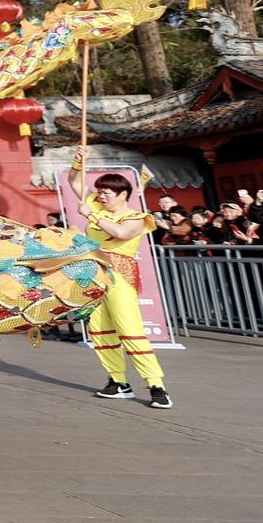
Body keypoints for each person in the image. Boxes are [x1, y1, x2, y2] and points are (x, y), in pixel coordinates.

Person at [67, 161, 172, 409]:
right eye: (99, 192)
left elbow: (122, 233)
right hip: (93, 273)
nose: (100, 196)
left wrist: (90, 214)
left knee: (130, 329)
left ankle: (156, 384)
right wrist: (78, 161)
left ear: (123, 194)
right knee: (100, 329)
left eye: (106, 193)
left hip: (120, 275)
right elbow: (75, 181)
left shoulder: (137, 217)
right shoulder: (96, 205)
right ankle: (118, 381)